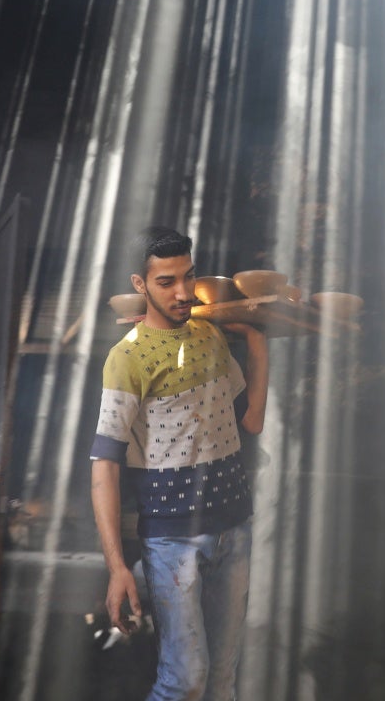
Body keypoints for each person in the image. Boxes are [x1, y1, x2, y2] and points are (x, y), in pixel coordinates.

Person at [89, 225, 269, 701]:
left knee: (222, 682)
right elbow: (103, 467)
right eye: (167, 281)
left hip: (234, 529)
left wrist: (257, 346)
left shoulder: (210, 338)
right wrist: (117, 567)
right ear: (139, 284)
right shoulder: (125, 359)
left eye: (187, 277)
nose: (183, 291)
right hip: (172, 541)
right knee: (185, 682)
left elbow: (250, 421)